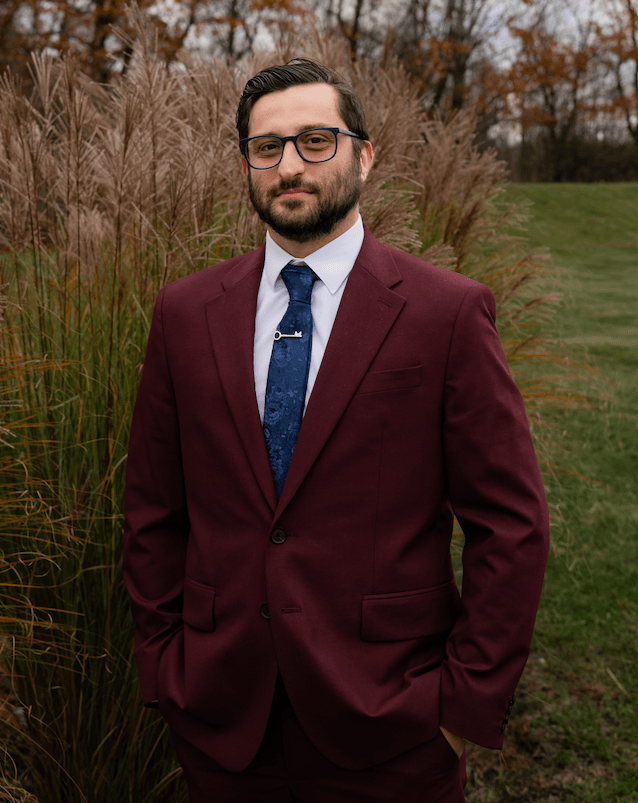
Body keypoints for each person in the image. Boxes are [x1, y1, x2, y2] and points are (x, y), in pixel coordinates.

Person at [123, 58, 549, 803]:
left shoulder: (445, 313)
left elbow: (511, 526)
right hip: (223, 724)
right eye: (266, 147)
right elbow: (154, 511)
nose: (290, 164)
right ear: (247, 163)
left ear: (364, 154)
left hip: (394, 726)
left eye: (315, 141)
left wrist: (462, 705)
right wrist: (165, 667)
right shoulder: (185, 315)